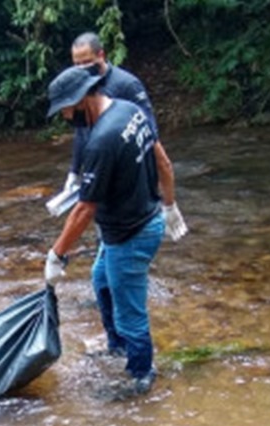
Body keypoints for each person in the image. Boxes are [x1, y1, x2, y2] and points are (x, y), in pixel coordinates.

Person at [43, 66, 188, 398]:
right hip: (137, 221)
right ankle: (116, 347)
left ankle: (141, 376)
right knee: (101, 281)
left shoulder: (102, 141)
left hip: (131, 234)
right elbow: (163, 161)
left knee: (129, 310)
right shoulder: (130, 111)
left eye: (66, 108)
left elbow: (84, 209)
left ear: (81, 99)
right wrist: (168, 204)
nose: (65, 116)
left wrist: (57, 254)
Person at [64, 32, 156, 193]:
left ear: (101, 55)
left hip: (129, 172)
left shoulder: (127, 85)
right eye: (76, 65)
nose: (81, 70)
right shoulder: (80, 90)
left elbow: (150, 131)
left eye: (87, 63)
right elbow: (81, 133)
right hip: (100, 168)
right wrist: (74, 172)